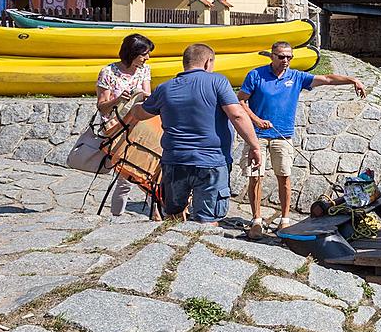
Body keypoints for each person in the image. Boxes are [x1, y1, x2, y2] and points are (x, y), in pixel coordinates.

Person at [238, 41, 366, 238]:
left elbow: (327, 79)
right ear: (272, 56)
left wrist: (352, 80)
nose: (286, 61)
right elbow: (241, 101)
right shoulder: (256, 75)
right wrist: (256, 120)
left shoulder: (296, 77)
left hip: (283, 135)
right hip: (258, 136)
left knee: (285, 178)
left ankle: (285, 220)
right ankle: (256, 220)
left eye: (289, 57)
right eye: (281, 57)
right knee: (256, 177)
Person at [126, 44, 262, 224]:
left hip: (175, 161)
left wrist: (135, 103)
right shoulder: (217, 82)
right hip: (211, 162)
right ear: (208, 62)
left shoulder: (164, 88)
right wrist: (255, 146)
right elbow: (237, 115)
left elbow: (140, 114)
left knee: (173, 216)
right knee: (207, 221)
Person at [96, 34, 154, 221]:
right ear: (132, 53)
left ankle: (123, 215)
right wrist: (119, 99)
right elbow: (101, 106)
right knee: (126, 171)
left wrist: (143, 96)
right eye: (144, 54)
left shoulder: (144, 70)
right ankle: (119, 215)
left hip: (139, 124)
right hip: (116, 126)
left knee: (142, 169)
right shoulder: (108, 72)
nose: (147, 58)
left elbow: (148, 95)